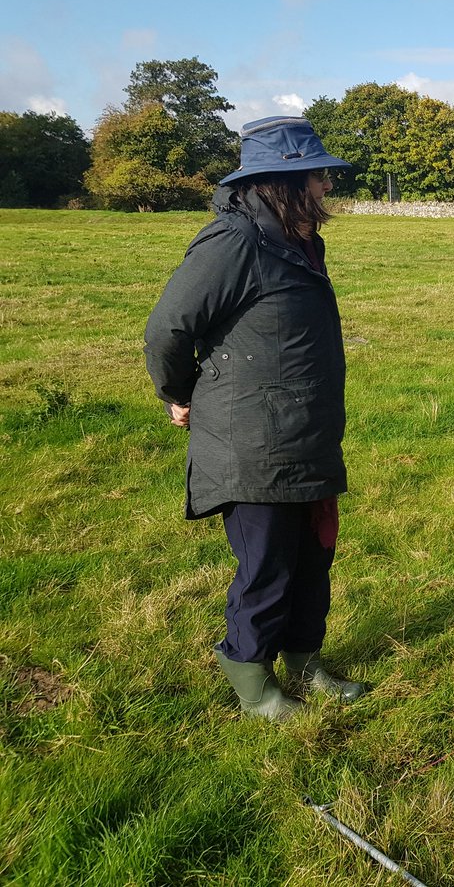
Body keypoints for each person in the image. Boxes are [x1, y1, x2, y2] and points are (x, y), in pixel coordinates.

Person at [144, 116, 364, 722]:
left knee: (313, 557)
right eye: (317, 175)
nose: (326, 187)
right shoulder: (234, 242)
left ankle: (304, 658)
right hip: (251, 440)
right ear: (282, 182)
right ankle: (249, 673)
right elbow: (168, 328)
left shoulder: (297, 241)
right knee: (267, 563)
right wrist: (180, 392)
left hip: (308, 433)